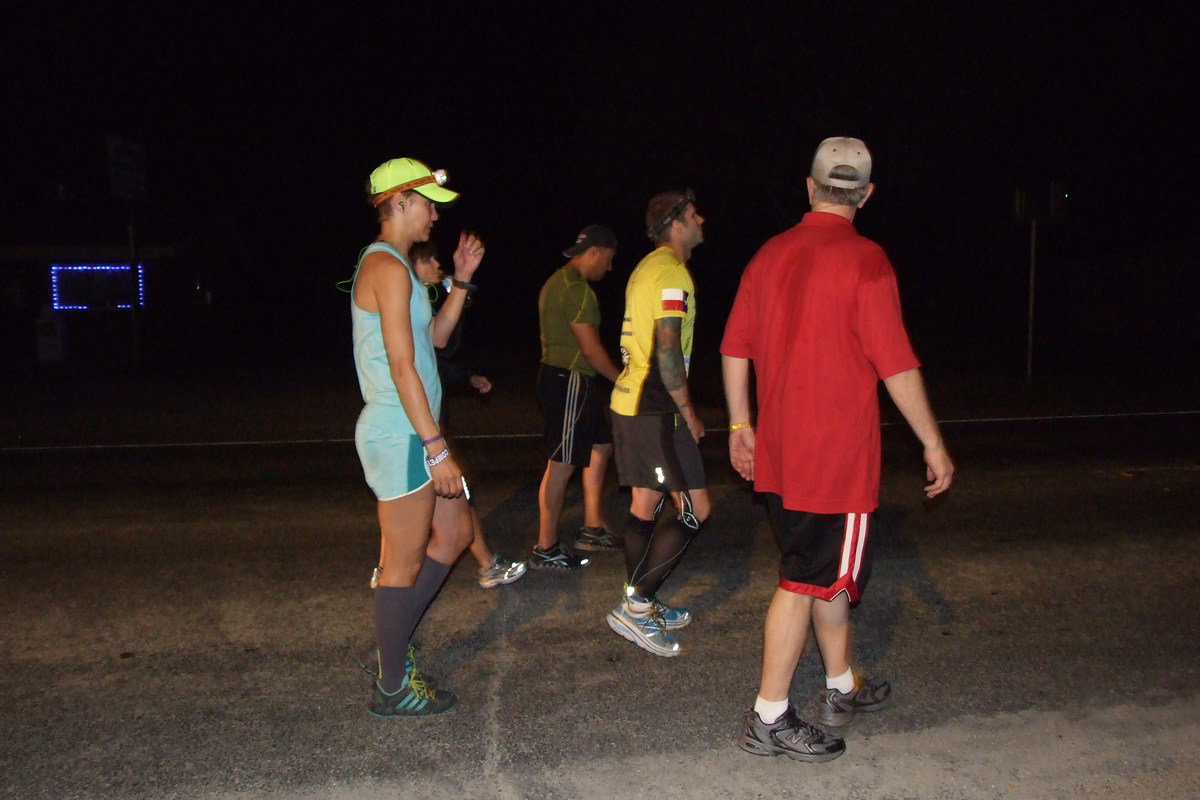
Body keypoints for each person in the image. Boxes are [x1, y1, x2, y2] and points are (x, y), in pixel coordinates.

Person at [721, 137, 954, 762]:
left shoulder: (769, 255)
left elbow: (733, 346)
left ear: (810, 186)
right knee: (805, 578)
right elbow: (896, 364)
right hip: (835, 462)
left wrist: (741, 424)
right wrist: (933, 442)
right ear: (867, 194)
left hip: (781, 453)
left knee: (823, 572)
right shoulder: (866, 260)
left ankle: (841, 680)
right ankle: (769, 715)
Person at [351, 156, 484, 717]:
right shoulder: (384, 267)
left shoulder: (400, 269)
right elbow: (404, 367)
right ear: (399, 202)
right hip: (403, 434)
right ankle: (391, 686)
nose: (435, 215)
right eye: (428, 203)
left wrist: (462, 281)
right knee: (402, 564)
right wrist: (437, 448)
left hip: (413, 431)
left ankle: (394, 640)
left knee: (454, 535)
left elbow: (432, 339)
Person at [606, 191, 710, 657]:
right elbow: (668, 350)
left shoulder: (646, 267)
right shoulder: (672, 272)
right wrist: (688, 412)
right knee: (695, 510)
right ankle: (637, 606)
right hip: (655, 410)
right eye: (693, 214)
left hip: (629, 402)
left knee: (644, 505)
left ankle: (640, 602)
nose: (700, 219)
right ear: (675, 223)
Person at [415, 239, 526, 589]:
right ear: (419, 262)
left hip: (424, 418)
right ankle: (486, 564)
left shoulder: (416, 301)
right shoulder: (409, 298)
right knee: (452, 492)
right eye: (434, 262)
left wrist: (468, 377)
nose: (439, 269)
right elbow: (421, 361)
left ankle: (391, 569)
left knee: (426, 500)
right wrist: (434, 440)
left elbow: (435, 356)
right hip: (419, 422)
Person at [532, 224, 623, 570]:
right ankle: (546, 546)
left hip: (562, 377)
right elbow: (590, 350)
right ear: (595, 252)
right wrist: (621, 380)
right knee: (562, 463)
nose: (609, 268)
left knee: (601, 443)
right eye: (609, 260)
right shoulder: (579, 290)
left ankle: (592, 526)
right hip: (568, 379)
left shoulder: (556, 281)